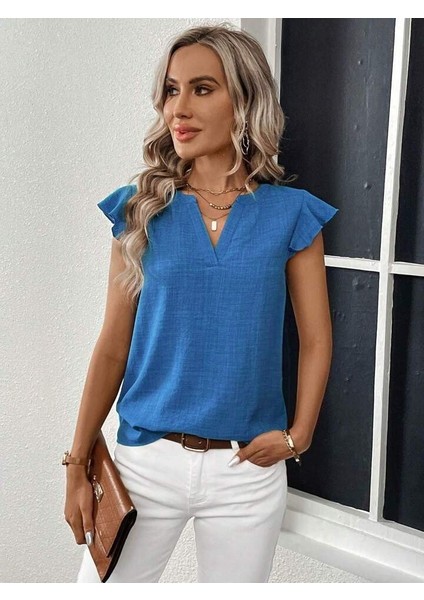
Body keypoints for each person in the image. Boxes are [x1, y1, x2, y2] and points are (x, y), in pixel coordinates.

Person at [63, 22, 339, 583]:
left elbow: (315, 339)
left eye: (202, 89)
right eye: (171, 90)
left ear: (244, 100)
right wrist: (77, 461)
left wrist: (300, 433)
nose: (178, 108)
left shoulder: (292, 215)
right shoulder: (140, 210)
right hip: (144, 463)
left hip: (246, 471)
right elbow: (113, 345)